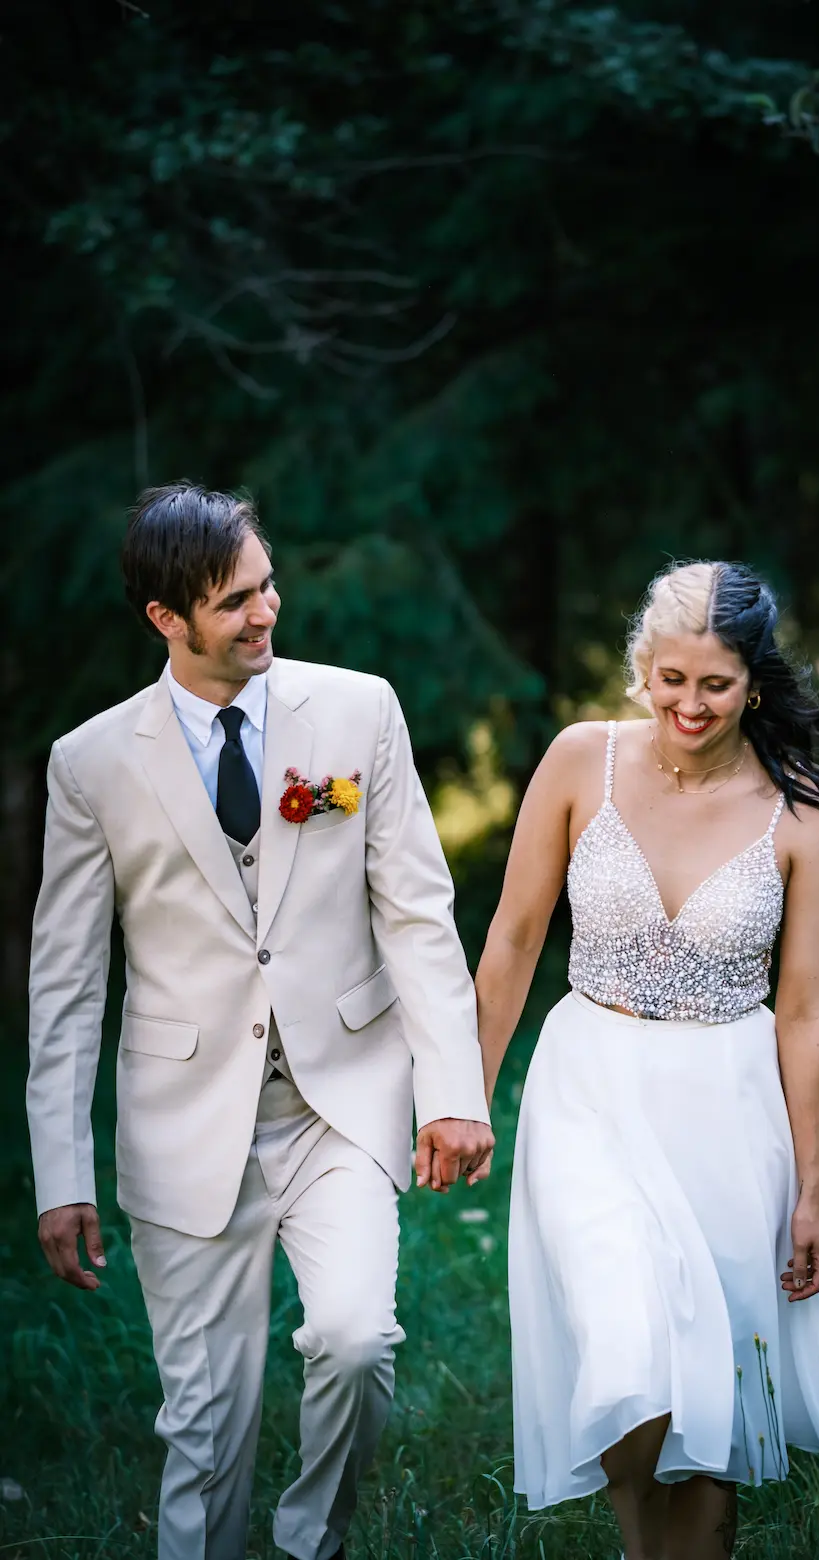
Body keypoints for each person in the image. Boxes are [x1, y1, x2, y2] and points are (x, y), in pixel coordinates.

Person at [26, 482, 494, 1560]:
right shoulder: (91, 762)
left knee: (356, 1339)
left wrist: (452, 1092)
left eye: (267, 583)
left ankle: (307, 1545)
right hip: (184, 1122)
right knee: (205, 1431)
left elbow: (419, 914)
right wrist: (63, 1173)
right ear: (165, 619)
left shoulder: (357, 711)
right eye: (235, 600)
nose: (265, 612)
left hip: (338, 1101)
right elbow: (63, 986)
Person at [475, 561, 819, 1560]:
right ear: (641, 665)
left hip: (728, 1105)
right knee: (628, 1346)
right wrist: (463, 1098)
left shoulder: (803, 817)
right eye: (668, 678)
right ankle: (640, 1543)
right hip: (587, 1081)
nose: (687, 702)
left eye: (712, 684)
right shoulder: (577, 761)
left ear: (752, 684)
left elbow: (805, 1009)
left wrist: (809, 1190)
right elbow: (511, 937)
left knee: (713, 1389)